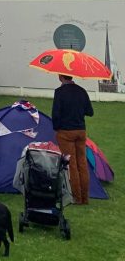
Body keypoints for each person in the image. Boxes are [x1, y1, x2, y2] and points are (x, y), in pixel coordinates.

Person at [52, 74, 94, 204]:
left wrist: (57, 128)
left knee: (72, 165)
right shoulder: (82, 91)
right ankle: (85, 197)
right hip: (81, 131)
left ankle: (77, 198)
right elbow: (90, 112)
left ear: (60, 77)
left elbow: (56, 114)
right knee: (82, 163)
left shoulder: (59, 92)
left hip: (66, 132)